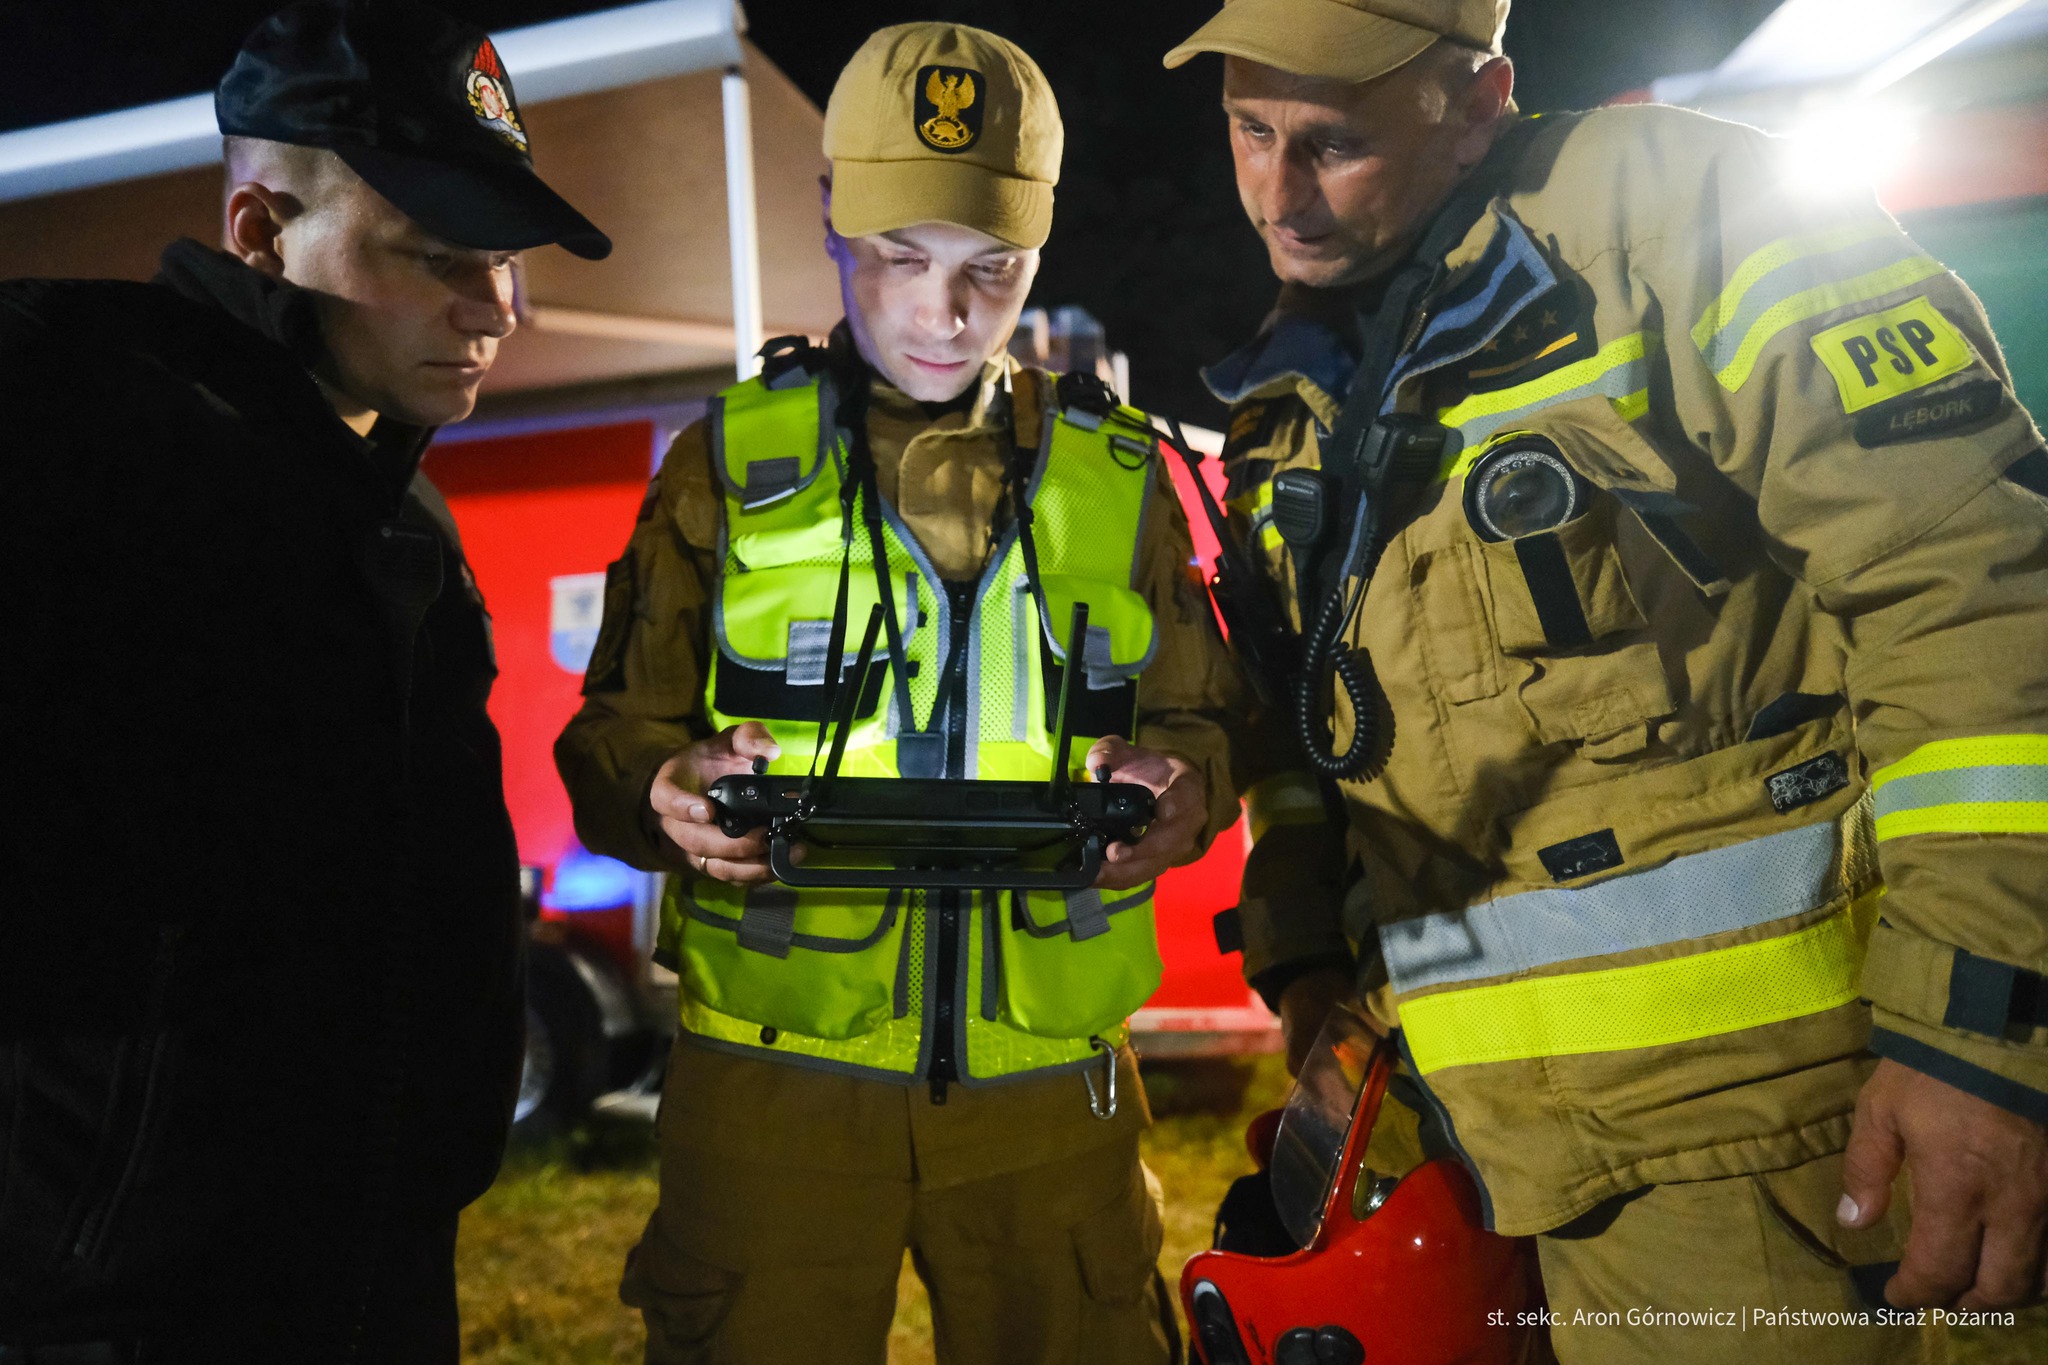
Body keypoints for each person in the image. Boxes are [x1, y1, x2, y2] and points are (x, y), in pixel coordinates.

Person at [1164, 0, 2048, 1359]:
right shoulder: (1298, 377)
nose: (1280, 195)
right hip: (1467, 1151)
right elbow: (1309, 729)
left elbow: (1975, 596)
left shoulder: (1692, 217)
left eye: (1333, 143)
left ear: (1479, 102)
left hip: (1762, 1149)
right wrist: (1304, 970)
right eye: (1249, 130)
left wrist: (1974, 1038)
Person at [555, 21, 1238, 1364]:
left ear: (1041, 245)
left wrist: (1187, 790)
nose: (945, 312)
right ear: (829, 214)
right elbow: (610, 737)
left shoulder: (1120, 475)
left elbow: (1200, 721)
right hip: (774, 1091)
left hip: (1053, 1094)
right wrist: (658, 792)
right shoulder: (721, 463)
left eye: (993, 267)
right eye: (900, 257)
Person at [0, 2, 608, 1360]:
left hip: (377, 1266)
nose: (499, 310)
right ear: (261, 232)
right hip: (128, 1307)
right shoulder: (70, 418)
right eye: (439, 255)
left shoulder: (404, 507)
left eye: (505, 259)